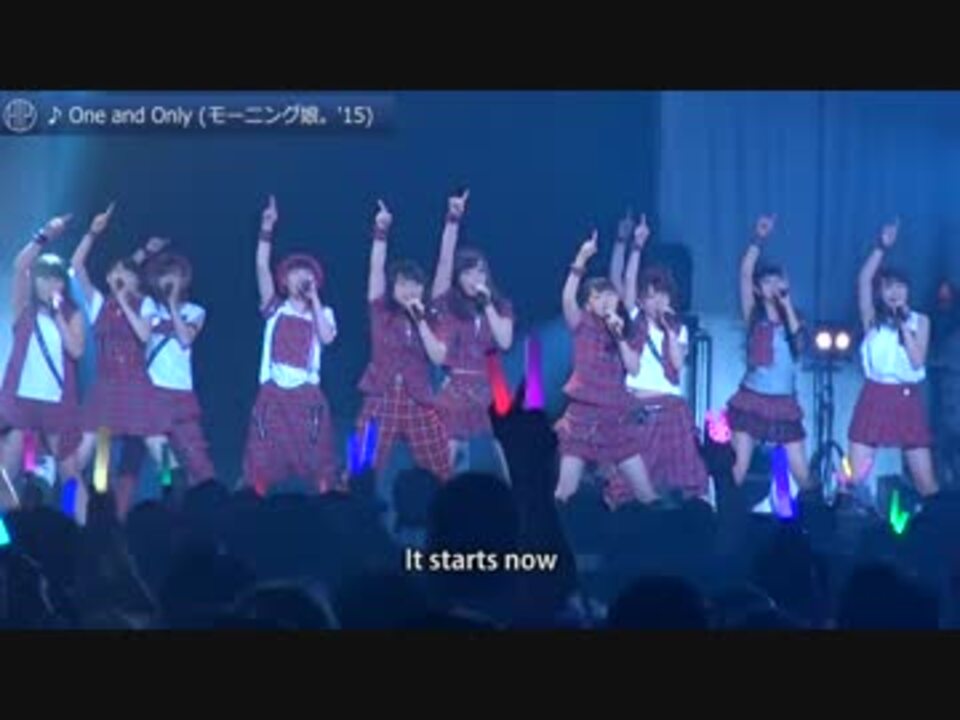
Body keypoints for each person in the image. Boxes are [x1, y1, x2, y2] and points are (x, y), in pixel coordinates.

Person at [68, 204, 174, 504]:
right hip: (106, 388)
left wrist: (125, 301)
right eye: (114, 272)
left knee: (163, 451)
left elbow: (143, 335)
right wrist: (92, 233)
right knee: (83, 458)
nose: (118, 276)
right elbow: (76, 266)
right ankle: (69, 510)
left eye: (124, 272)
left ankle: (177, 502)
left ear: (136, 280)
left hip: (137, 387)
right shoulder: (99, 303)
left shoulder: (145, 304)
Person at [604, 213, 709, 508]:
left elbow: (677, 365)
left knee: (683, 481)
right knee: (630, 483)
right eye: (650, 296)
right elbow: (625, 280)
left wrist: (670, 332)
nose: (657, 301)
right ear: (641, 300)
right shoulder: (634, 320)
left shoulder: (679, 329)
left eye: (662, 295)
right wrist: (636, 245)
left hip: (670, 410)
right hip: (638, 408)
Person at [242, 196, 338, 496]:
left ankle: (322, 507)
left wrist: (315, 300)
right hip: (272, 394)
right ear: (284, 279)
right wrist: (266, 228)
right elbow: (261, 265)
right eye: (296, 272)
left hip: (307, 395)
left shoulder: (324, 312)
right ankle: (256, 508)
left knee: (316, 460)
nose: (302, 277)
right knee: (262, 461)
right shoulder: (275, 308)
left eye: (307, 274)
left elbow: (327, 338)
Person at [553, 230, 657, 504]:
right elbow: (567, 299)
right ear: (588, 304)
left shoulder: (627, 330)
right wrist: (581, 258)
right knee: (565, 492)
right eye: (597, 296)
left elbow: (633, 368)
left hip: (615, 415)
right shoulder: (582, 324)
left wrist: (619, 336)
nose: (605, 300)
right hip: (582, 414)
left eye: (609, 295)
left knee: (646, 493)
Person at [355, 200, 451, 481]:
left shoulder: (431, 317)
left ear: (423, 288)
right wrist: (381, 231)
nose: (409, 290)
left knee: (442, 469)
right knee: (359, 467)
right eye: (403, 284)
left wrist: (421, 321)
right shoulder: (381, 312)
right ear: (393, 288)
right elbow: (376, 268)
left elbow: (439, 357)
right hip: (380, 396)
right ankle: (352, 504)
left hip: (418, 398)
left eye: (415, 284)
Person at [847, 219, 938, 498]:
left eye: (900, 286)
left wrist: (904, 325)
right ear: (881, 292)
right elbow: (863, 280)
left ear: (908, 290)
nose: (894, 292)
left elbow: (917, 362)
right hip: (875, 395)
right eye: (888, 287)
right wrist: (881, 246)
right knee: (855, 477)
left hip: (907, 398)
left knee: (926, 483)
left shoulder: (920, 321)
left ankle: (938, 522)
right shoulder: (871, 319)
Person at [0, 214, 84, 507]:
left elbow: (76, 351)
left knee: (70, 476)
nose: (49, 284)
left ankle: (72, 524)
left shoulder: (72, 315)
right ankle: (12, 528)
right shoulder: (24, 310)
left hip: (57, 406)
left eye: (55, 279)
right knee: (5, 474)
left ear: (63, 283)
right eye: (44, 278)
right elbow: (19, 266)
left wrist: (58, 313)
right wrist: (44, 235)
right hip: (21, 404)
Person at [430, 189, 514, 478]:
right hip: (455, 387)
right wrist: (452, 220)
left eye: (479, 272)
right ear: (457, 277)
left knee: (500, 453)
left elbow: (505, 341)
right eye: (466, 273)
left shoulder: (500, 305)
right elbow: (444, 262)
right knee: (450, 454)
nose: (474, 279)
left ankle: (509, 498)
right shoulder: (447, 304)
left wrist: (488, 304)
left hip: (490, 387)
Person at [725, 215, 812, 492]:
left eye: (777, 281)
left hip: (784, 401)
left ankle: (814, 512)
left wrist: (787, 307)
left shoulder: (795, 318)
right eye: (767, 281)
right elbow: (744, 273)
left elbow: (800, 348)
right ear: (758, 288)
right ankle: (724, 512)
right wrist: (758, 238)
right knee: (738, 467)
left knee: (801, 471)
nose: (772, 286)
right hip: (752, 398)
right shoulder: (753, 315)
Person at [141, 250, 216, 489]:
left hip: (181, 392)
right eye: (164, 275)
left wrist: (173, 305)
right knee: (160, 453)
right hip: (152, 391)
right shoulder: (149, 305)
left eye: (175, 275)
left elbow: (185, 339)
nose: (169, 280)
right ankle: (171, 486)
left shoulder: (195, 311)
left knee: (196, 457)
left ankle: (207, 497)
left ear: (184, 279)